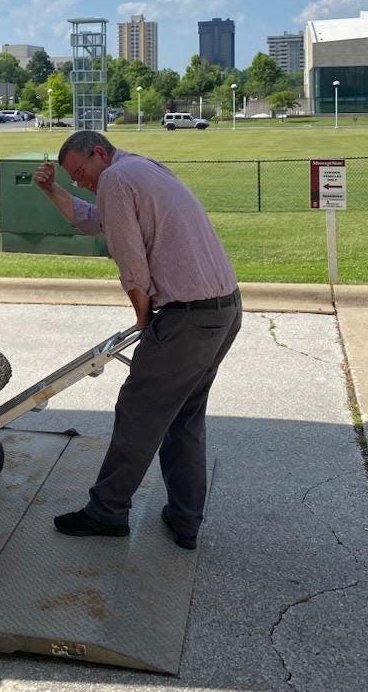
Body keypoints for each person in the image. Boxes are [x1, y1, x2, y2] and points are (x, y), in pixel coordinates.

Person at [33, 130, 240, 548]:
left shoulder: (115, 178)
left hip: (187, 318)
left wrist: (143, 317)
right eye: (72, 178)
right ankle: (184, 522)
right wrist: (52, 189)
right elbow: (90, 218)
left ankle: (107, 511)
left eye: (80, 172)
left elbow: (130, 259)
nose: (82, 182)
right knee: (183, 418)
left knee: (138, 413)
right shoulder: (142, 167)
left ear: (98, 153)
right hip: (224, 310)